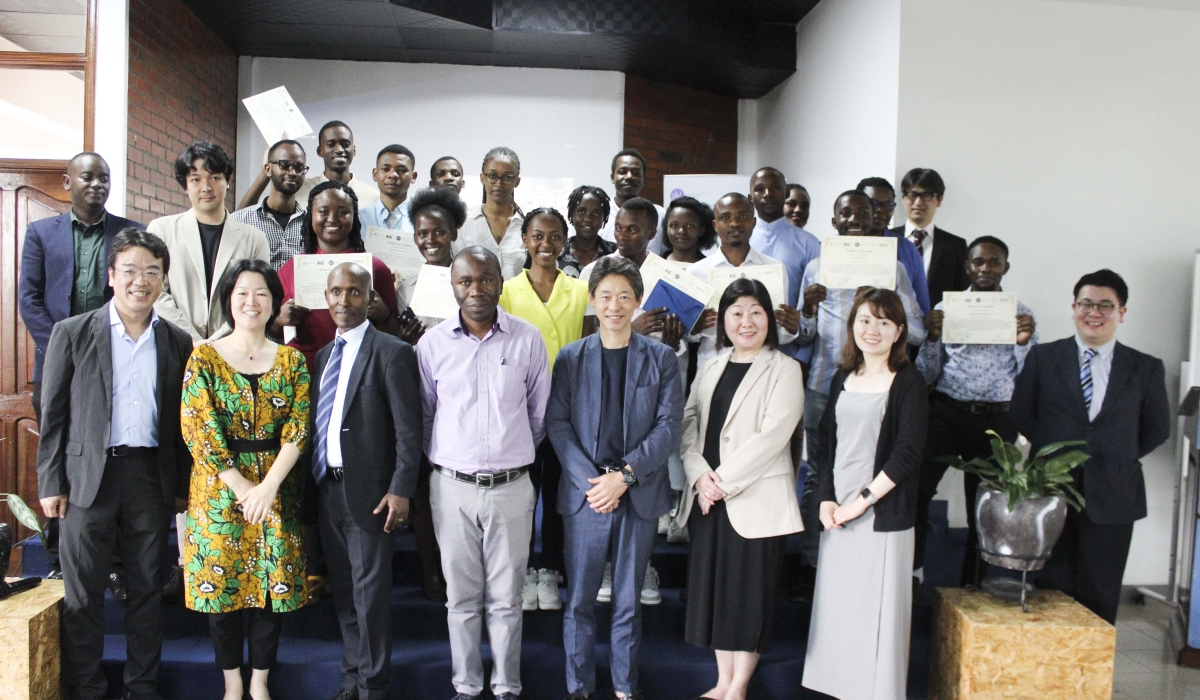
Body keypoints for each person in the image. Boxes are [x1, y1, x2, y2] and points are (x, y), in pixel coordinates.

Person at [37, 228, 193, 700]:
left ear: (163, 280)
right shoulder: (73, 333)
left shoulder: (177, 342)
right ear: (110, 276)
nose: (139, 282)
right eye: (129, 271)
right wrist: (50, 482)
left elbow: (181, 423)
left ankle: (141, 687)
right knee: (83, 595)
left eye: (151, 272)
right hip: (87, 480)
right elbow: (53, 414)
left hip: (149, 478)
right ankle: (86, 688)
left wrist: (182, 487)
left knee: (146, 592)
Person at [547, 256, 684, 700]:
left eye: (625, 296)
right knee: (581, 601)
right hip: (587, 494)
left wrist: (624, 476)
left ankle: (625, 688)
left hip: (637, 491)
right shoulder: (571, 358)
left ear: (638, 302)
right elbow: (558, 425)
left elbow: (668, 427)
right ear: (592, 300)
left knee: (627, 602)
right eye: (605, 295)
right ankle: (578, 688)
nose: (614, 305)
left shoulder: (662, 359)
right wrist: (595, 482)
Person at [417, 247, 550, 700]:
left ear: (500, 281)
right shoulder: (431, 344)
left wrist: (507, 455)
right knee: (462, 599)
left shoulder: (528, 340)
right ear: (453, 286)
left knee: (507, 599)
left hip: (511, 488)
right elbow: (424, 415)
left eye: (486, 279)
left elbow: (538, 416)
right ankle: (468, 686)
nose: (476, 290)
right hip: (451, 487)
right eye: (465, 281)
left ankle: (507, 686)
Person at [180, 258, 309, 700]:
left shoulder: (292, 360)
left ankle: (260, 683)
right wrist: (240, 487)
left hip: (277, 485)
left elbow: (299, 427)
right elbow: (198, 426)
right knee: (221, 589)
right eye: (241, 293)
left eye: (261, 293)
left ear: (275, 302)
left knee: (271, 588)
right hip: (218, 490)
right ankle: (232, 684)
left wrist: (268, 487)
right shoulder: (205, 358)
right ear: (228, 301)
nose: (251, 301)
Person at [1011, 269, 1170, 624]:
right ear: (1073, 307)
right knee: (1049, 587)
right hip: (1052, 491)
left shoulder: (1144, 368)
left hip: (1114, 492)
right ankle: (1051, 671)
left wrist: (1114, 455)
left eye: (1105, 305)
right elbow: (1022, 413)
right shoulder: (1043, 358)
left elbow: (1158, 429)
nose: (1094, 312)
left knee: (1101, 589)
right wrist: (1053, 456)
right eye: (1086, 303)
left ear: (1121, 313)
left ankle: (1092, 675)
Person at [794, 191, 925, 599]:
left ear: (876, 222)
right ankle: (814, 564)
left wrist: (888, 299)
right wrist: (808, 312)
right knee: (821, 472)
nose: (854, 218)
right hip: (825, 385)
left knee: (876, 466)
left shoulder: (896, 268)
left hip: (881, 390)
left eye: (863, 213)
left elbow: (917, 331)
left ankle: (867, 564)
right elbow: (803, 335)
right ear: (833, 222)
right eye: (845, 212)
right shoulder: (817, 265)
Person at [677, 278, 803, 700]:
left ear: (769, 317)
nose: (746, 321)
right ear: (723, 320)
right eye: (736, 313)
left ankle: (739, 687)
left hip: (753, 496)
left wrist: (721, 484)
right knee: (717, 593)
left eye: (755, 311)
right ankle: (721, 681)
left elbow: (774, 435)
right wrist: (699, 476)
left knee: (750, 595)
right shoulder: (711, 366)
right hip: (708, 496)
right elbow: (688, 423)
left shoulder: (785, 368)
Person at [20, 152, 143, 582]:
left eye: (104, 178)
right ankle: (58, 556)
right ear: (67, 181)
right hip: (58, 363)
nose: (97, 184)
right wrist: (60, 348)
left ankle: (115, 564)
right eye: (87, 176)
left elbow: (134, 294)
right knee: (60, 450)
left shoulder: (129, 233)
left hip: (117, 363)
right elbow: (29, 299)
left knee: (112, 456)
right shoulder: (41, 233)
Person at [802, 288, 927, 700]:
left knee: (878, 617)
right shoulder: (842, 378)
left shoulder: (909, 382)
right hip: (838, 514)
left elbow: (907, 453)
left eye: (884, 322)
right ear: (851, 327)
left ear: (900, 332)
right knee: (841, 614)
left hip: (880, 515)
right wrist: (826, 500)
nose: (872, 330)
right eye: (864, 321)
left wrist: (861, 502)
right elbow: (826, 444)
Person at [310, 262, 423, 700]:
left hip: (373, 494)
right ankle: (351, 679)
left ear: (370, 298)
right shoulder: (323, 356)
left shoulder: (392, 352)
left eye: (354, 292)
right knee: (343, 593)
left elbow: (409, 431)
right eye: (336, 292)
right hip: (327, 490)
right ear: (326, 297)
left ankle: (374, 687)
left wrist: (401, 488)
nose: (344, 301)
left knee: (370, 597)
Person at [914, 236, 1037, 587]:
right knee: (920, 490)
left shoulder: (1021, 315)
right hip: (947, 412)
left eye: (994, 262)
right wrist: (933, 338)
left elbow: (1030, 376)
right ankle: (914, 569)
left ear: (1005, 268)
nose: (985, 269)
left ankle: (975, 581)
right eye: (978, 262)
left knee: (984, 507)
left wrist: (1023, 343)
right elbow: (926, 373)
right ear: (968, 266)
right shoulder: (948, 307)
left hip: (997, 421)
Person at [499, 208, 590, 613]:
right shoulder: (505, 291)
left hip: (569, 409)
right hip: (519, 409)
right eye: (537, 236)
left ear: (564, 241)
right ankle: (519, 569)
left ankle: (550, 568)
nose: (546, 245)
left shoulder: (580, 290)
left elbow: (590, 349)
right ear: (524, 239)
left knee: (557, 491)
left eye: (555, 237)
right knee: (521, 494)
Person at [151, 140, 271, 343]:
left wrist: (217, 341)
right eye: (196, 180)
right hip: (175, 344)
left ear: (228, 180)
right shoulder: (161, 230)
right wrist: (193, 341)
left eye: (215, 178)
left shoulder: (254, 238)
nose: (206, 187)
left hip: (233, 346)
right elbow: (157, 294)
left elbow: (257, 296)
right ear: (186, 186)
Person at [274, 180, 402, 370]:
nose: (332, 219)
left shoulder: (375, 269)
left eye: (343, 212)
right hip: (303, 373)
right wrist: (278, 320)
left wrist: (383, 314)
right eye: (323, 211)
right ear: (311, 216)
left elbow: (395, 334)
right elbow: (270, 332)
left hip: (361, 371)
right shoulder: (290, 269)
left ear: (354, 217)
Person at [659, 196, 719, 542]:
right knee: (667, 430)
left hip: (704, 362)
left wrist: (696, 329)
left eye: (690, 225)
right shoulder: (657, 269)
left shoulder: (712, 269)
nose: (682, 231)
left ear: (703, 230)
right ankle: (666, 504)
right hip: (669, 361)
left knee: (694, 431)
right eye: (675, 225)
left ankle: (686, 504)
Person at [689, 192, 800, 369]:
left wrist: (791, 327)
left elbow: (780, 334)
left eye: (743, 216)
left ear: (753, 222)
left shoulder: (774, 268)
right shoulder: (696, 272)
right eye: (726, 217)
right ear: (715, 225)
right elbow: (688, 337)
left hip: (761, 367)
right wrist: (694, 328)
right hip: (712, 366)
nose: (735, 223)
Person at [748, 167, 821, 365]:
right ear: (750, 197)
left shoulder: (809, 244)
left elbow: (818, 307)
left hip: (790, 353)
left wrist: (802, 359)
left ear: (786, 193)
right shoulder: (739, 240)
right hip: (742, 349)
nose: (768, 194)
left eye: (775, 188)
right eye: (760, 189)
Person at [889, 168, 969, 307]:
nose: (918, 202)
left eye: (926, 195)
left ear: (939, 200)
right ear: (903, 199)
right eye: (912, 195)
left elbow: (963, 292)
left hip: (938, 324)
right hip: (891, 323)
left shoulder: (956, 245)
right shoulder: (887, 240)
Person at [230, 139, 309, 270]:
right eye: (284, 165)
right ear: (268, 169)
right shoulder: (240, 221)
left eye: (299, 167)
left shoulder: (311, 224)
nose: (292, 172)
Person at [858, 176, 930, 315]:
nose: (880, 211)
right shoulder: (836, 247)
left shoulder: (907, 249)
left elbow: (922, 307)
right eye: (873, 204)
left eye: (888, 205)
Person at [456, 146, 526, 280]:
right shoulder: (463, 223)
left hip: (519, 301)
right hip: (474, 300)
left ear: (517, 181)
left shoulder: (527, 226)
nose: (499, 183)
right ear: (482, 178)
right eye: (492, 176)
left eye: (507, 177)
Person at [295, 120, 379, 208]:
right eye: (331, 144)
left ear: (354, 150)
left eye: (345, 144)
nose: (339, 150)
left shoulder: (372, 197)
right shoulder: (301, 191)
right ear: (320, 151)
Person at [598, 150, 666, 253]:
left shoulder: (660, 214)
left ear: (644, 179)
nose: (629, 177)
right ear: (612, 178)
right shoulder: (599, 214)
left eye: (636, 173)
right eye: (622, 171)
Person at [555, 185, 616, 277]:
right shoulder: (557, 252)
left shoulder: (615, 253)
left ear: (604, 217)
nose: (588, 219)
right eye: (581, 211)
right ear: (571, 214)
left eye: (596, 213)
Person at [359, 144, 419, 233]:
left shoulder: (423, 218)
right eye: (386, 169)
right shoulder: (359, 218)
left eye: (402, 170)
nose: (393, 175)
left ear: (413, 177)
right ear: (375, 174)